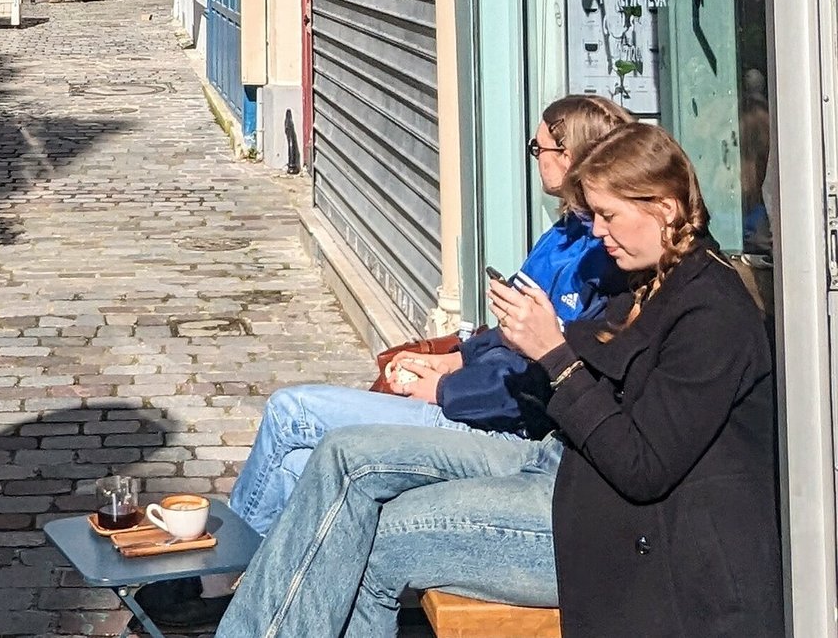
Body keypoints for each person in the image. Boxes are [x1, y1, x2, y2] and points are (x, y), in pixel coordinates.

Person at [213, 122, 782, 638]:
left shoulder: (712, 312)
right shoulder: (647, 278)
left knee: (382, 539)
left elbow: (642, 466)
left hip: (622, 526)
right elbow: (577, 371)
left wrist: (554, 353)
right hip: (561, 465)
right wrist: (508, 348)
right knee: (343, 452)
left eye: (609, 216)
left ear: (663, 207)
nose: (599, 233)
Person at [138, 96, 630, 629]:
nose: (534, 156)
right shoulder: (562, 236)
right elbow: (507, 341)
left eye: (541, 147)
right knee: (300, 467)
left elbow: (538, 380)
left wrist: (444, 390)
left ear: (579, 156)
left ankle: (220, 584)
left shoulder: (603, 263)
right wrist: (447, 362)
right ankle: (246, 593)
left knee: (292, 414)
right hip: (481, 400)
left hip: (502, 431)